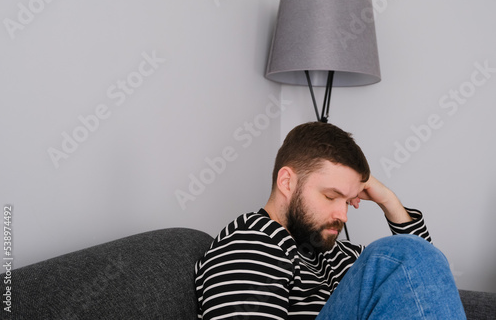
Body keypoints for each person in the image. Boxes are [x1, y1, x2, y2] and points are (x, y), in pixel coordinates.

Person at [195, 122, 466, 319]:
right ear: (287, 182)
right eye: (330, 196)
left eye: (348, 201)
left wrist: (389, 202)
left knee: (404, 258)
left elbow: (423, 284)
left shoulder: (334, 252)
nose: (344, 216)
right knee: (395, 255)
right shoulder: (251, 246)